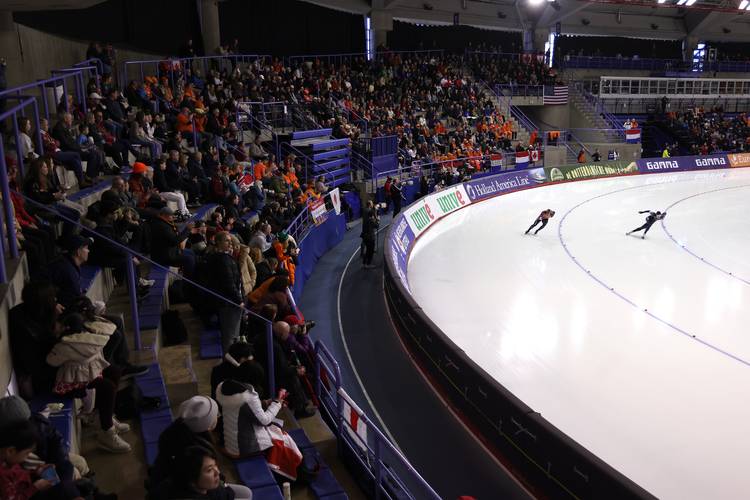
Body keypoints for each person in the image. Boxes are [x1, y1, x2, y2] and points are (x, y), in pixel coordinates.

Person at [217, 379, 303, 479]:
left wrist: (267, 403)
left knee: (276, 430)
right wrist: (277, 403)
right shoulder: (247, 398)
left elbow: (247, 410)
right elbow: (264, 420)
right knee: (281, 439)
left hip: (231, 442)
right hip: (244, 447)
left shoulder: (225, 394)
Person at [206, 232, 244, 350]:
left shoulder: (225, 257)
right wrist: (239, 300)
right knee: (230, 335)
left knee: (233, 335)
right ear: (219, 243)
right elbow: (228, 282)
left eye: (230, 240)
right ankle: (230, 363)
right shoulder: (222, 260)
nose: (230, 243)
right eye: (227, 241)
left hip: (230, 300)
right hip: (229, 302)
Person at [0, 421, 57, 500]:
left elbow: (20, 475)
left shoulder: (11, 460)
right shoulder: (2, 476)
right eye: (27, 453)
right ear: (11, 451)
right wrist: (35, 487)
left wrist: (36, 472)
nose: (28, 456)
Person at [360, 200, 379, 269]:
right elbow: (377, 225)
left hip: (364, 234)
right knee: (370, 251)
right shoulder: (371, 220)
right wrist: (376, 218)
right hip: (370, 237)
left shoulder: (365, 213)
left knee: (367, 250)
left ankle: (364, 263)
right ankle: (368, 264)